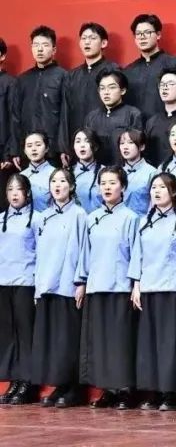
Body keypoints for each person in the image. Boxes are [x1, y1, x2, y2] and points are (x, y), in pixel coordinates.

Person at [128, 173, 176, 410]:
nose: (156, 191)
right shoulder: (144, 221)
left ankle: (173, 391)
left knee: (170, 342)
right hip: (149, 287)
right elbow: (137, 255)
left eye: (162, 188)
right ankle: (154, 389)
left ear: (173, 192)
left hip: (171, 287)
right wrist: (136, 285)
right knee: (150, 343)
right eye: (153, 187)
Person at [77, 165, 139, 409]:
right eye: (103, 183)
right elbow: (85, 253)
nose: (107, 187)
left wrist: (134, 283)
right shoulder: (92, 218)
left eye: (112, 183)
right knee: (100, 341)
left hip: (120, 286)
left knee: (120, 341)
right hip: (96, 285)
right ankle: (107, 389)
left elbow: (136, 254)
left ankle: (125, 389)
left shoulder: (131, 218)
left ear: (123, 187)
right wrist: (81, 282)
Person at [31, 168, 86, 408]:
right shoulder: (43, 217)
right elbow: (39, 254)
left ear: (71, 186)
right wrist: (38, 286)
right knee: (52, 340)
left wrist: (81, 281)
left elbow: (83, 250)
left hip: (67, 285)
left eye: (63, 181)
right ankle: (58, 385)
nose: (57, 185)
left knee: (67, 339)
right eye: (53, 181)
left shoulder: (79, 215)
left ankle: (73, 387)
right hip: (47, 285)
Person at [0, 174, 38, 405]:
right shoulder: (0, 219)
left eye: (19, 189)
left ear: (27, 193)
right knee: (9, 334)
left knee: (25, 335)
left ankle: (28, 382)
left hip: (25, 283)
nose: (14, 194)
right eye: (10, 189)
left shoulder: (36, 219)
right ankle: (14, 379)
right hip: (4, 283)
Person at [63, 22, 118, 153]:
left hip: (106, 138)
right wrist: (64, 147)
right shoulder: (72, 75)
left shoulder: (113, 71)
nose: (87, 42)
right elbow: (65, 112)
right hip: (78, 142)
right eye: (83, 38)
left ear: (103, 43)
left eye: (92, 38)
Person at [14, 26, 67, 156]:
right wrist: (15, 151)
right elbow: (15, 117)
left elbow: (66, 116)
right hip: (27, 148)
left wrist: (63, 148)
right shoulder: (22, 79)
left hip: (53, 149)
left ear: (54, 50)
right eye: (36, 45)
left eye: (45, 45)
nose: (40, 49)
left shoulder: (64, 76)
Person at [83, 69, 143, 168]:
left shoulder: (133, 114)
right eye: (102, 88)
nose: (106, 92)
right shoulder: (91, 117)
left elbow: (137, 146)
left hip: (124, 169)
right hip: (96, 170)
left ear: (123, 90)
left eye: (111, 87)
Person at [123, 14, 176, 118]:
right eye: (138, 34)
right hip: (135, 126)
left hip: (165, 123)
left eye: (147, 32)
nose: (142, 37)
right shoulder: (128, 71)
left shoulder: (173, 64)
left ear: (158, 35)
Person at [118, 129, 156, 215]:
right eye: (122, 143)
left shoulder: (152, 173)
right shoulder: (116, 173)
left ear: (142, 147)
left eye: (130, 142)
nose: (125, 147)